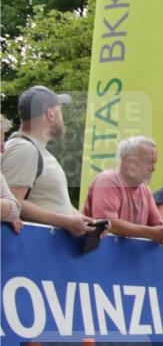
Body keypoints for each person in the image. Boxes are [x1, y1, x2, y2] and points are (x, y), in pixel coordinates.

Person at [2, 86, 98, 237]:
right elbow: (12, 203)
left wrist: (84, 220)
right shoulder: (24, 149)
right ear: (50, 114)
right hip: (33, 246)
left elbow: (50, 201)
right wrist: (64, 221)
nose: (62, 118)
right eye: (60, 111)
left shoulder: (37, 150)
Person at [83, 136, 163, 245]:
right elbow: (108, 224)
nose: (153, 168)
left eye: (154, 162)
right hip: (97, 253)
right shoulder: (107, 181)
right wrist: (152, 233)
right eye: (148, 162)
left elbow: (159, 227)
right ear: (127, 161)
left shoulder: (145, 189)